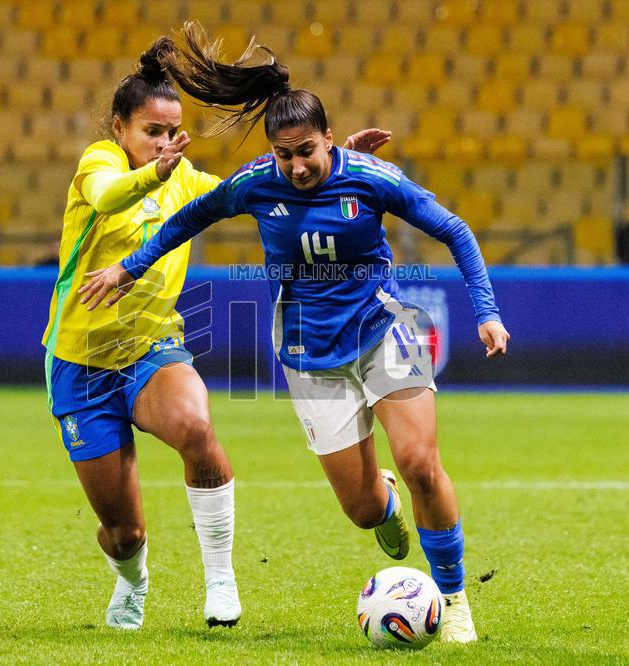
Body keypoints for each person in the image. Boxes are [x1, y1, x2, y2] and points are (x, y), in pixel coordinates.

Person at [78, 24, 510, 644]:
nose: (297, 166)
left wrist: (487, 312)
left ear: (329, 139)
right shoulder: (257, 184)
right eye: (285, 154)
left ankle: (453, 598)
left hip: (384, 330)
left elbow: (458, 232)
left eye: (308, 151)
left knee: (420, 462)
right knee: (364, 511)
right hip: (311, 356)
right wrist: (127, 267)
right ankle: (384, 503)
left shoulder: (371, 178)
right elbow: (187, 220)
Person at [41, 38, 392, 631]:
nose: (166, 144)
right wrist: (156, 171)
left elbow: (263, 190)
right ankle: (133, 579)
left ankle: (221, 581)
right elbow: (108, 194)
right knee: (123, 532)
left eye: (174, 133)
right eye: (153, 131)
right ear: (120, 127)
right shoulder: (98, 164)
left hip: (152, 350)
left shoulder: (185, 180)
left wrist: (337, 172)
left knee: (198, 430)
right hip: (79, 365)